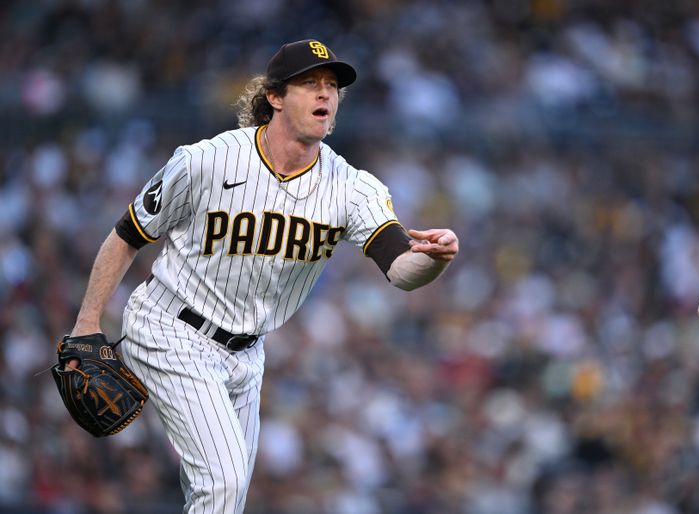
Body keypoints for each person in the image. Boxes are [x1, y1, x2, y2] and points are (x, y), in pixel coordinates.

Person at [64, 39, 459, 514]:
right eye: (310, 83)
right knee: (224, 482)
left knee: (226, 499)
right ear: (274, 97)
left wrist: (434, 259)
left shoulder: (352, 187)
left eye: (332, 86)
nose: (325, 95)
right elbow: (127, 234)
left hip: (248, 354)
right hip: (171, 328)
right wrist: (87, 322)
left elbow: (401, 269)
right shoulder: (206, 160)